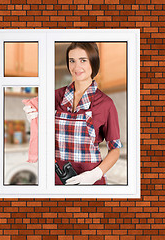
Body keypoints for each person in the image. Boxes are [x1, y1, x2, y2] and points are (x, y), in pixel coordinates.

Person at [24, 42, 123, 185]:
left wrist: (95, 174)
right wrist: (33, 120)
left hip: (91, 182)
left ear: (93, 62)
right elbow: (42, 132)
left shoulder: (106, 104)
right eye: (72, 61)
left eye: (83, 60)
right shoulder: (54, 96)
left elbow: (115, 149)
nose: (76, 67)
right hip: (56, 180)